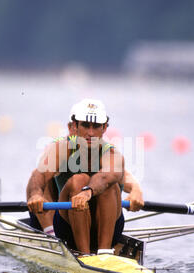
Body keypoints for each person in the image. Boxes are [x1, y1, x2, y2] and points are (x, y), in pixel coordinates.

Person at [26, 99, 143, 254]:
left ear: (104, 128)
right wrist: (35, 195)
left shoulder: (112, 154)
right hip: (68, 227)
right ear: (74, 126)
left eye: (96, 126)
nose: (90, 133)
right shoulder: (61, 149)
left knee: (109, 185)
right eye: (85, 125)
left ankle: (104, 253)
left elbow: (112, 175)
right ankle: (80, 251)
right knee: (77, 180)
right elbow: (38, 174)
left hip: (108, 227)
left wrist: (136, 190)